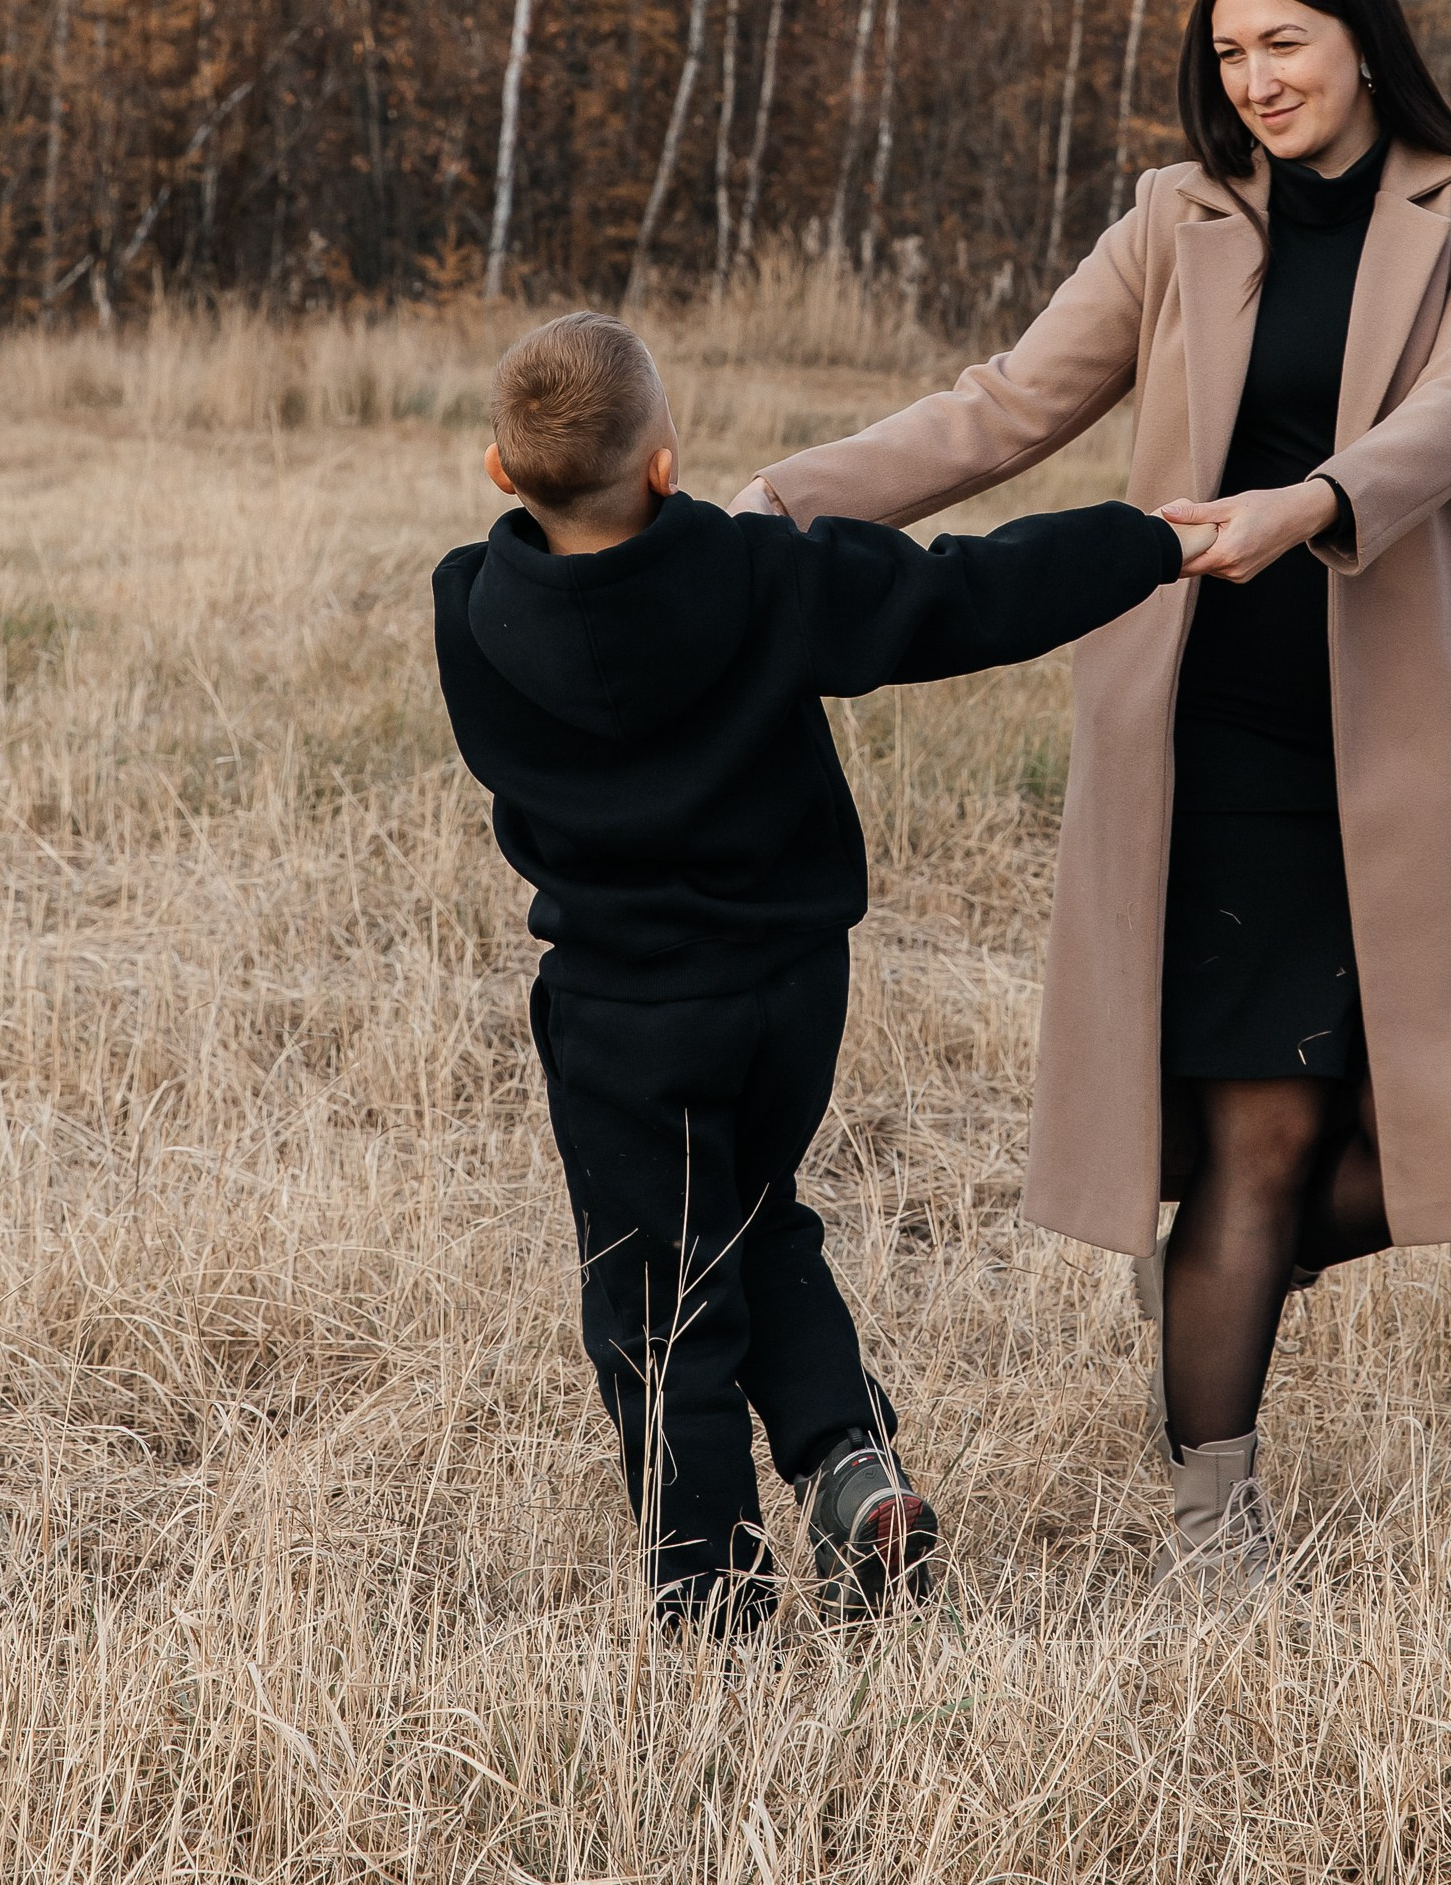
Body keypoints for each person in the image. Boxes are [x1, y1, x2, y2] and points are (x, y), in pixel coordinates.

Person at [734, 0, 1451, 1590]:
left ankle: (1226, 1253)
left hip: (1423, 725)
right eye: (1228, 51)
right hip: (1216, 734)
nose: (1255, 78)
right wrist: (777, 499)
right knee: (1258, 1137)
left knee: (1445, 1115)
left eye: (1282, 40)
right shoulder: (1176, 218)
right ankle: (1218, 1530)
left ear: (1360, 35)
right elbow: (1001, 406)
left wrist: (1309, 502)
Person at [432, 309, 1205, 1634]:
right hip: (787, 985)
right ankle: (848, 1463)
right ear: (666, 465)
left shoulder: (471, 603)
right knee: (755, 1210)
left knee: (657, 1293)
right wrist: (1149, 540)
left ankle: (708, 1591)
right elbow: (963, 592)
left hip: (620, 1006)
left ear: (499, 474)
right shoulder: (755, 577)